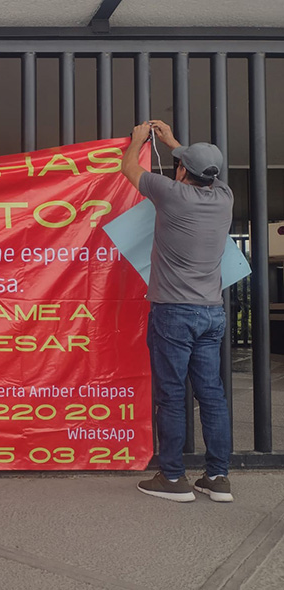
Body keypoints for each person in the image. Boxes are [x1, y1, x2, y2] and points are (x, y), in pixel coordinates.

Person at [122, 119, 234, 503]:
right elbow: (201, 169)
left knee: (171, 395)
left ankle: (172, 478)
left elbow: (129, 169)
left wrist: (139, 140)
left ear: (182, 171)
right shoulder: (225, 197)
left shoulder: (171, 193)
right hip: (211, 313)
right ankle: (218, 478)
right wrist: (173, 142)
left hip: (173, 313)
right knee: (212, 395)